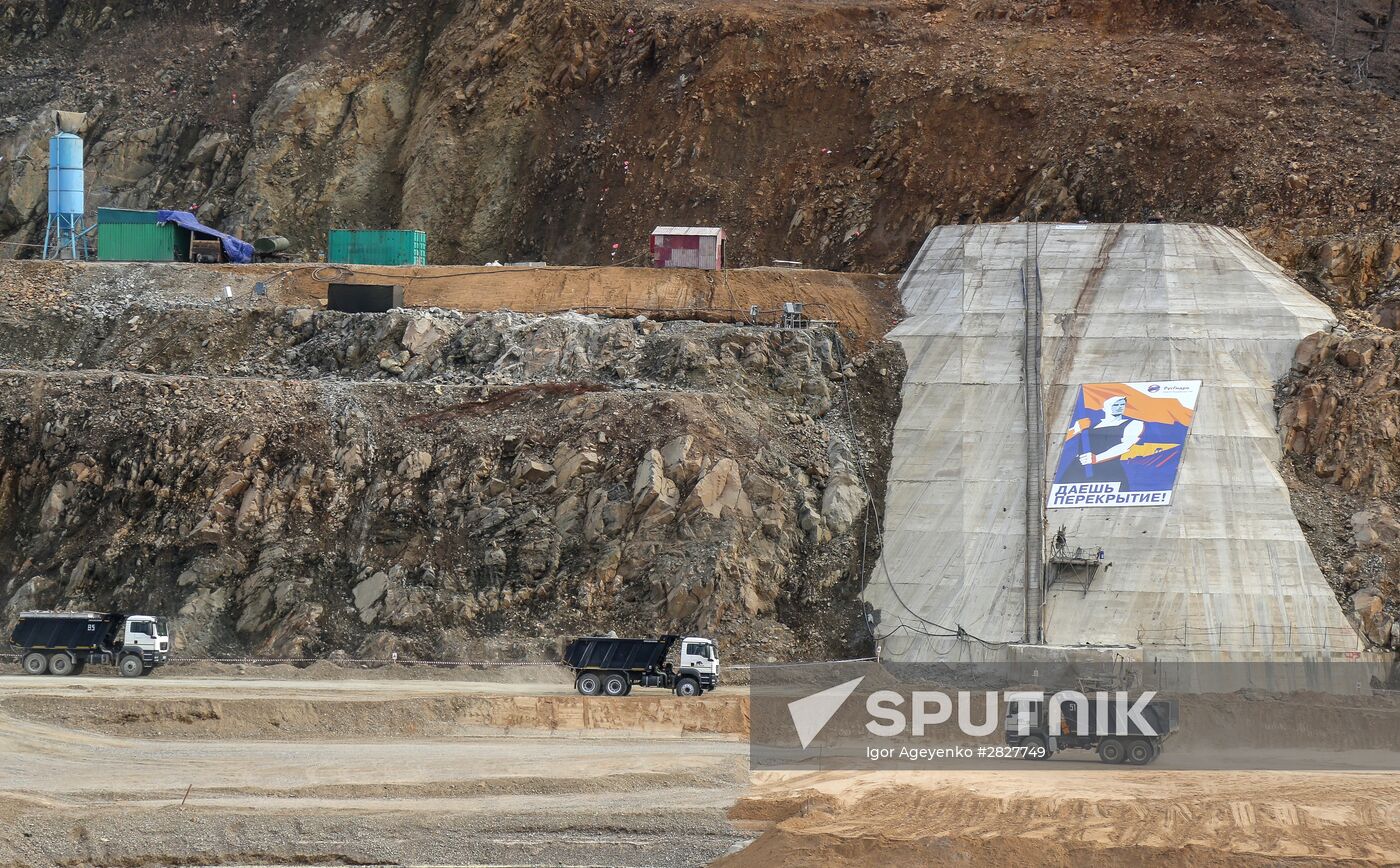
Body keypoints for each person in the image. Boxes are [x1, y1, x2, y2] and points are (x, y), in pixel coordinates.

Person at [1058, 395, 1144, 489]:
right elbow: (1058, 442)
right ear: (1104, 408)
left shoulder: (1134, 424)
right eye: (1115, 405)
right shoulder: (1088, 425)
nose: (1120, 407)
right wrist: (1074, 430)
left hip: (1108, 468)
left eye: (1122, 404)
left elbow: (1125, 446)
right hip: (1078, 468)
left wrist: (1097, 458)